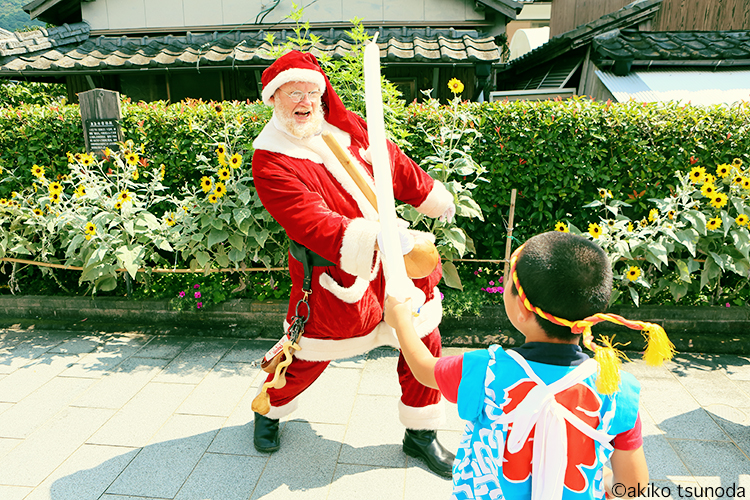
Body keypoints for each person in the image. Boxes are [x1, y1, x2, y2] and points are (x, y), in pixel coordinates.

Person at [250, 50, 457, 477]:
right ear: (273, 98)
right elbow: (312, 224)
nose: (305, 101)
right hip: (334, 275)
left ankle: (421, 434)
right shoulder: (270, 159)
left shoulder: (350, 131)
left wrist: (431, 197)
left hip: (396, 267)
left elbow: (394, 164)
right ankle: (268, 408)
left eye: (312, 91)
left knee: (422, 340)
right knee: (309, 353)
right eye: (294, 93)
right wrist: (382, 239)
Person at [385, 231, 675, 499]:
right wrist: (606, 481)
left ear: (522, 309)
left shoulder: (485, 370)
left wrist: (401, 321)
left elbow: (424, 368)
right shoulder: (618, 389)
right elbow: (633, 487)